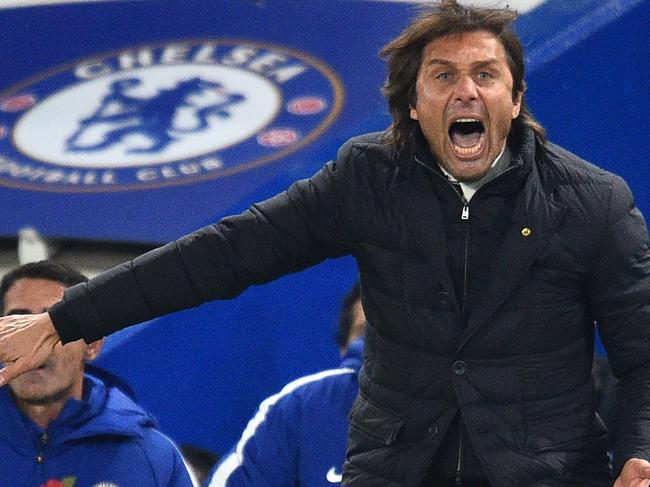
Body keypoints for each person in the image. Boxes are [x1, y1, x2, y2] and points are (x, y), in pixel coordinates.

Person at [0, 1, 648, 485]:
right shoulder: (367, 178)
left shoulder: (594, 201)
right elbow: (222, 253)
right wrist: (64, 318)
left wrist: (641, 448)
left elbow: (642, 355)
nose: (466, 90)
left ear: (516, 97)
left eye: (485, 73)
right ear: (413, 105)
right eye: (442, 75)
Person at [0, 261, 194, 487]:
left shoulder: (151, 456)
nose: (33, 345)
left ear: (92, 345)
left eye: (52, 328)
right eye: (17, 323)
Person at [205, 283, 365, 487]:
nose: (385, 341)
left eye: (397, 328)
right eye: (366, 332)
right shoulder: (299, 409)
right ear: (344, 350)